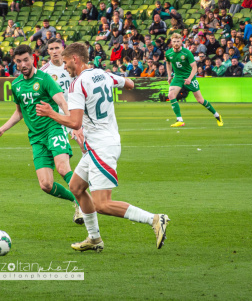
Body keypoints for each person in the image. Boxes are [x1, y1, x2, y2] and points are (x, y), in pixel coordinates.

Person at [35, 42, 169, 252]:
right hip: (102, 143)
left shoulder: (77, 84)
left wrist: (51, 113)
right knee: (76, 187)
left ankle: (154, 219)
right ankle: (94, 238)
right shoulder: (103, 74)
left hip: (101, 147)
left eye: (67, 62)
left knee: (102, 204)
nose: (65, 67)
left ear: (76, 60)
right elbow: (130, 84)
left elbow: (75, 122)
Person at [0, 45, 84, 225]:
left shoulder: (45, 78)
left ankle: (83, 202)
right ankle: (76, 199)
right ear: (15, 63)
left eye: (26, 59)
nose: (23, 64)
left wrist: (73, 126)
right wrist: (3, 128)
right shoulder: (16, 85)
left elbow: (62, 102)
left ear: (32, 58)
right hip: (36, 138)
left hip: (54, 128)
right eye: (19, 61)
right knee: (46, 185)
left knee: (63, 168)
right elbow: (19, 112)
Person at [165, 33, 223, 127]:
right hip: (178, 77)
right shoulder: (168, 53)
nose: (176, 43)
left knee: (200, 100)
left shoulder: (187, 53)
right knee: (171, 95)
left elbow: (194, 67)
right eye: (174, 41)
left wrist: (189, 79)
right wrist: (169, 76)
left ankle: (217, 115)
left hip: (189, 77)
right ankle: (180, 120)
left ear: (181, 42)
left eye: (178, 41)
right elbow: (168, 63)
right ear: (171, 42)